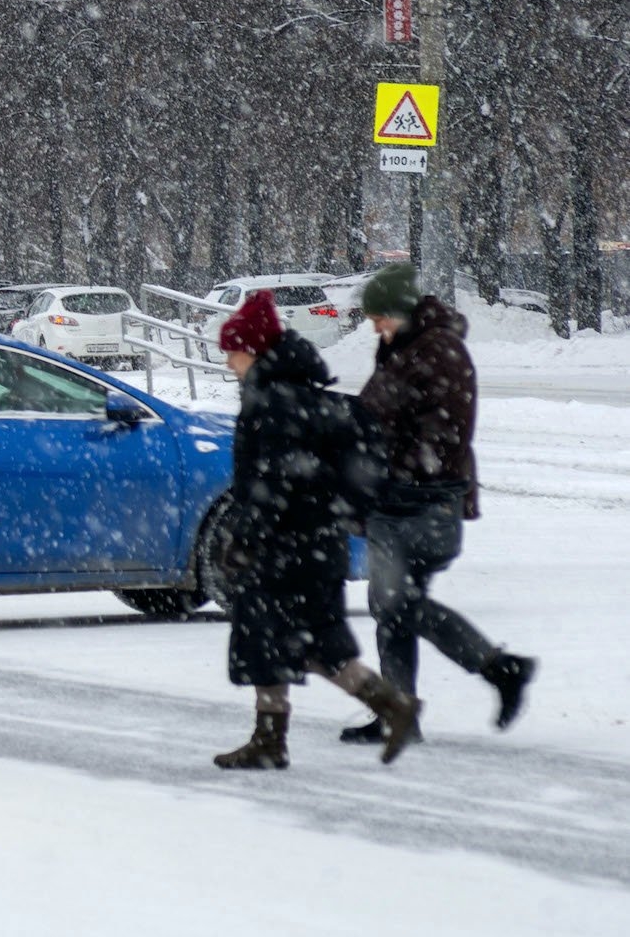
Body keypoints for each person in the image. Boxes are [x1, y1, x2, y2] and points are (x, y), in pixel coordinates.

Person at [212, 291, 420, 770]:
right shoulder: (298, 396)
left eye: (233, 350)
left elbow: (270, 484)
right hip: (313, 545)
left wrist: (244, 539)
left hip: (283, 549)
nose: (228, 362)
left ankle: (387, 705)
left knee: (291, 642)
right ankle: (272, 738)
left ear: (255, 350)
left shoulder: (271, 404)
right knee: (292, 642)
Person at [340, 262, 536, 743]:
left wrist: (389, 467)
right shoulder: (404, 348)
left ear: (402, 312)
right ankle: (398, 712)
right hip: (399, 500)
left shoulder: (439, 352)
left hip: (423, 501)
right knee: (394, 608)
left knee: (395, 604)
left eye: (379, 317)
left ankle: (499, 667)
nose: (375, 327)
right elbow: (381, 412)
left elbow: (444, 434)